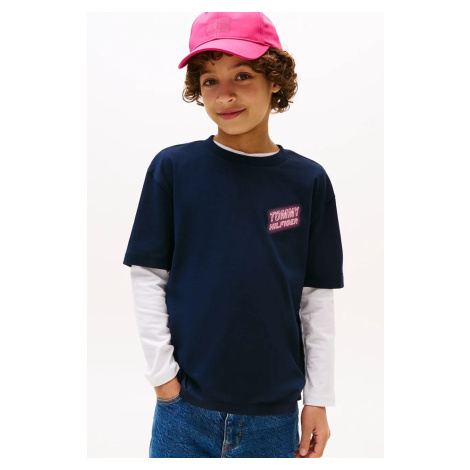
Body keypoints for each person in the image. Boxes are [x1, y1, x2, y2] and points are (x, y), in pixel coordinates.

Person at [123, 11, 344, 458]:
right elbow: (148, 277)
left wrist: (317, 398)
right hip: (184, 410)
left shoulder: (308, 181)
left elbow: (315, 297)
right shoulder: (174, 169)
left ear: (275, 80)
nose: (224, 95)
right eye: (209, 81)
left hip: (274, 415)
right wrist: (164, 381)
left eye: (242, 75)